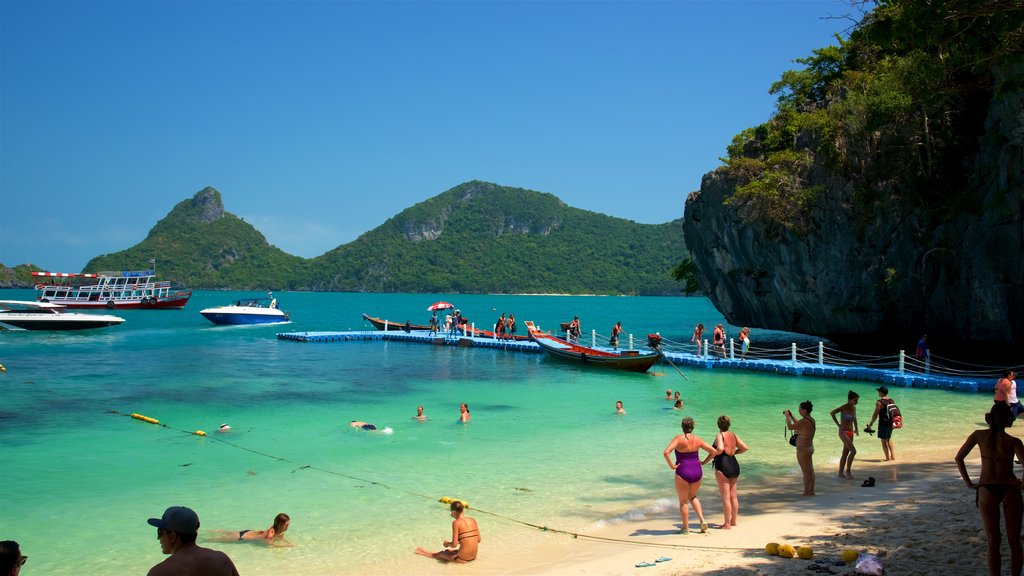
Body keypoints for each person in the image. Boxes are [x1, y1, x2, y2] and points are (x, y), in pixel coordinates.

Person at [955, 403, 1024, 576]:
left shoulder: (979, 435)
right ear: (1008, 420)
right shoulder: (1014, 441)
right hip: (1009, 488)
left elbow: (959, 458)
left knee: (993, 540)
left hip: (986, 488)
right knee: (1014, 542)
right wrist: (1021, 484)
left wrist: (969, 483)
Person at [146, 506, 240, 576]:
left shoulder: (159, 572)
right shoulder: (222, 560)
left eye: (160, 532)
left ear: (173, 536)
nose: (159, 538)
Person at [663, 417, 718, 534]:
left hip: (683, 470)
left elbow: (666, 452)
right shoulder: (697, 439)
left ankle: (685, 528)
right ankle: (702, 520)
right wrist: (704, 462)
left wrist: (672, 466)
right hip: (697, 470)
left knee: (683, 502)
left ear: (682, 427)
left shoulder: (678, 439)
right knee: (693, 497)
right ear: (693, 427)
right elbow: (714, 451)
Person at [702, 415, 748, 528]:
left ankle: (727, 524)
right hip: (734, 464)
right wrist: (733, 453)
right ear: (729, 425)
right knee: (734, 496)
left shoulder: (720, 435)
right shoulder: (733, 435)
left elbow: (720, 449)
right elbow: (745, 448)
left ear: (718, 425)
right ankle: (733, 521)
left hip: (722, 465)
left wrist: (704, 461)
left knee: (726, 497)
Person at [415, 500, 480, 563]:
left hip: (462, 559)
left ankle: (420, 552)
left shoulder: (456, 523)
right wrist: (463, 541)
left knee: (440, 554)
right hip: (473, 557)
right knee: (449, 550)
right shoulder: (472, 519)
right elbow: (478, 539)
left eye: (451, 514)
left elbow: (454, 545)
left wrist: (447, 543)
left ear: (453, 512)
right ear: (463, 510)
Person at [785, 401, 817, 496]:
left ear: (804, 410)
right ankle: (811, 490)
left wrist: (787, 416)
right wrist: (791, 416)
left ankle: (806, 492)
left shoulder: (804, 421)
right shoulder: (811, 419)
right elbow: (798, 424)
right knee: (810, 470)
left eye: (800, 409)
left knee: (806, 472)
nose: (798, 410)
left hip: (803, 449)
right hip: (809, 448)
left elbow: (790, 427)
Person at [830, 391, 860, 479]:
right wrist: (838, 425)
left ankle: (840, 473)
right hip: (843, 432)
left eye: (857, 400)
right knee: (853, 451)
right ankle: (848, 471)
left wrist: (856, 429)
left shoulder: (854, 408)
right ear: (850, 400)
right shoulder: (844, 407)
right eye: (855, 400)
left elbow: (854, 418)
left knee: (845, 452)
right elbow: (832, 413)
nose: (856, 402)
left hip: (850, 432)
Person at [865, 386, 897, 461]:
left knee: (883, 440)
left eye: (879, 391)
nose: (878, 393)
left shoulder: (879, 402)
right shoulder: (891, 400)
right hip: (891, 422)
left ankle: (887, 458)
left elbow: (875, 415)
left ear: (881, 393)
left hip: (883, 423)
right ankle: (892, 456)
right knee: (888, 438)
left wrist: (870, 425)